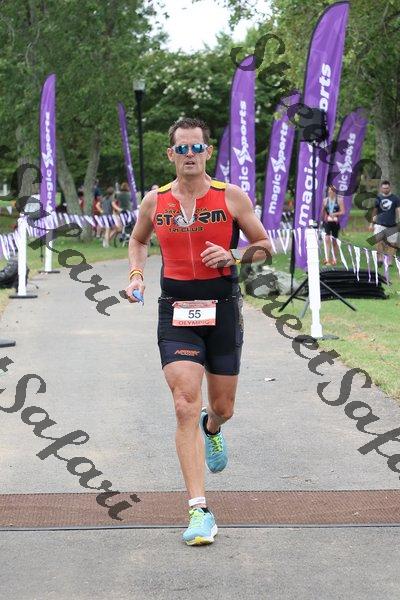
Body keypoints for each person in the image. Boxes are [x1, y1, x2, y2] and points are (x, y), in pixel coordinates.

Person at [124, 117, 271, 546]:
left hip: (222, 310)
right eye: (182, 149)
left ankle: (214, 428)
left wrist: (233, 255)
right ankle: (199, 509)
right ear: (170, 154)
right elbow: (138, 240)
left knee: (221, 406)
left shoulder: (231, 197)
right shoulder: (155, 200)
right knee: (184, 403)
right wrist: (136, 275)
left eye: (196, 148)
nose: (189, 155)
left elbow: (266, 246)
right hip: (176, 311)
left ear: (207, 152)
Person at [368, 180, 400, 265]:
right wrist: (371, 223)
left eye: (387, 188)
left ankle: (389, 260)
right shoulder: (378, 198)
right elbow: (374, 212)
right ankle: (380, 258)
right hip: (380, 224)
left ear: (390, 188)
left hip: (392, 225)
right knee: (378, 241)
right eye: (384, 188)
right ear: (381, 188)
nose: (385, 190)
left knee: (392, 244)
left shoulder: (395, 198)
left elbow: (398, 210)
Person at [320, 184, 345, 265]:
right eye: (330, 190)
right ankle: (327, 258)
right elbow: (322, 211)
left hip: (335, 222)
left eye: (333, 190)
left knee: (334, 241)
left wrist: (335, 214)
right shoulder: (325, 200)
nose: (332, 192)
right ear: (328, 191)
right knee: (327, 238)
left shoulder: (339, 200)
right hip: (327, 222)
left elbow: (343, 211)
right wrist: (324, 216)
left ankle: (334, 259)